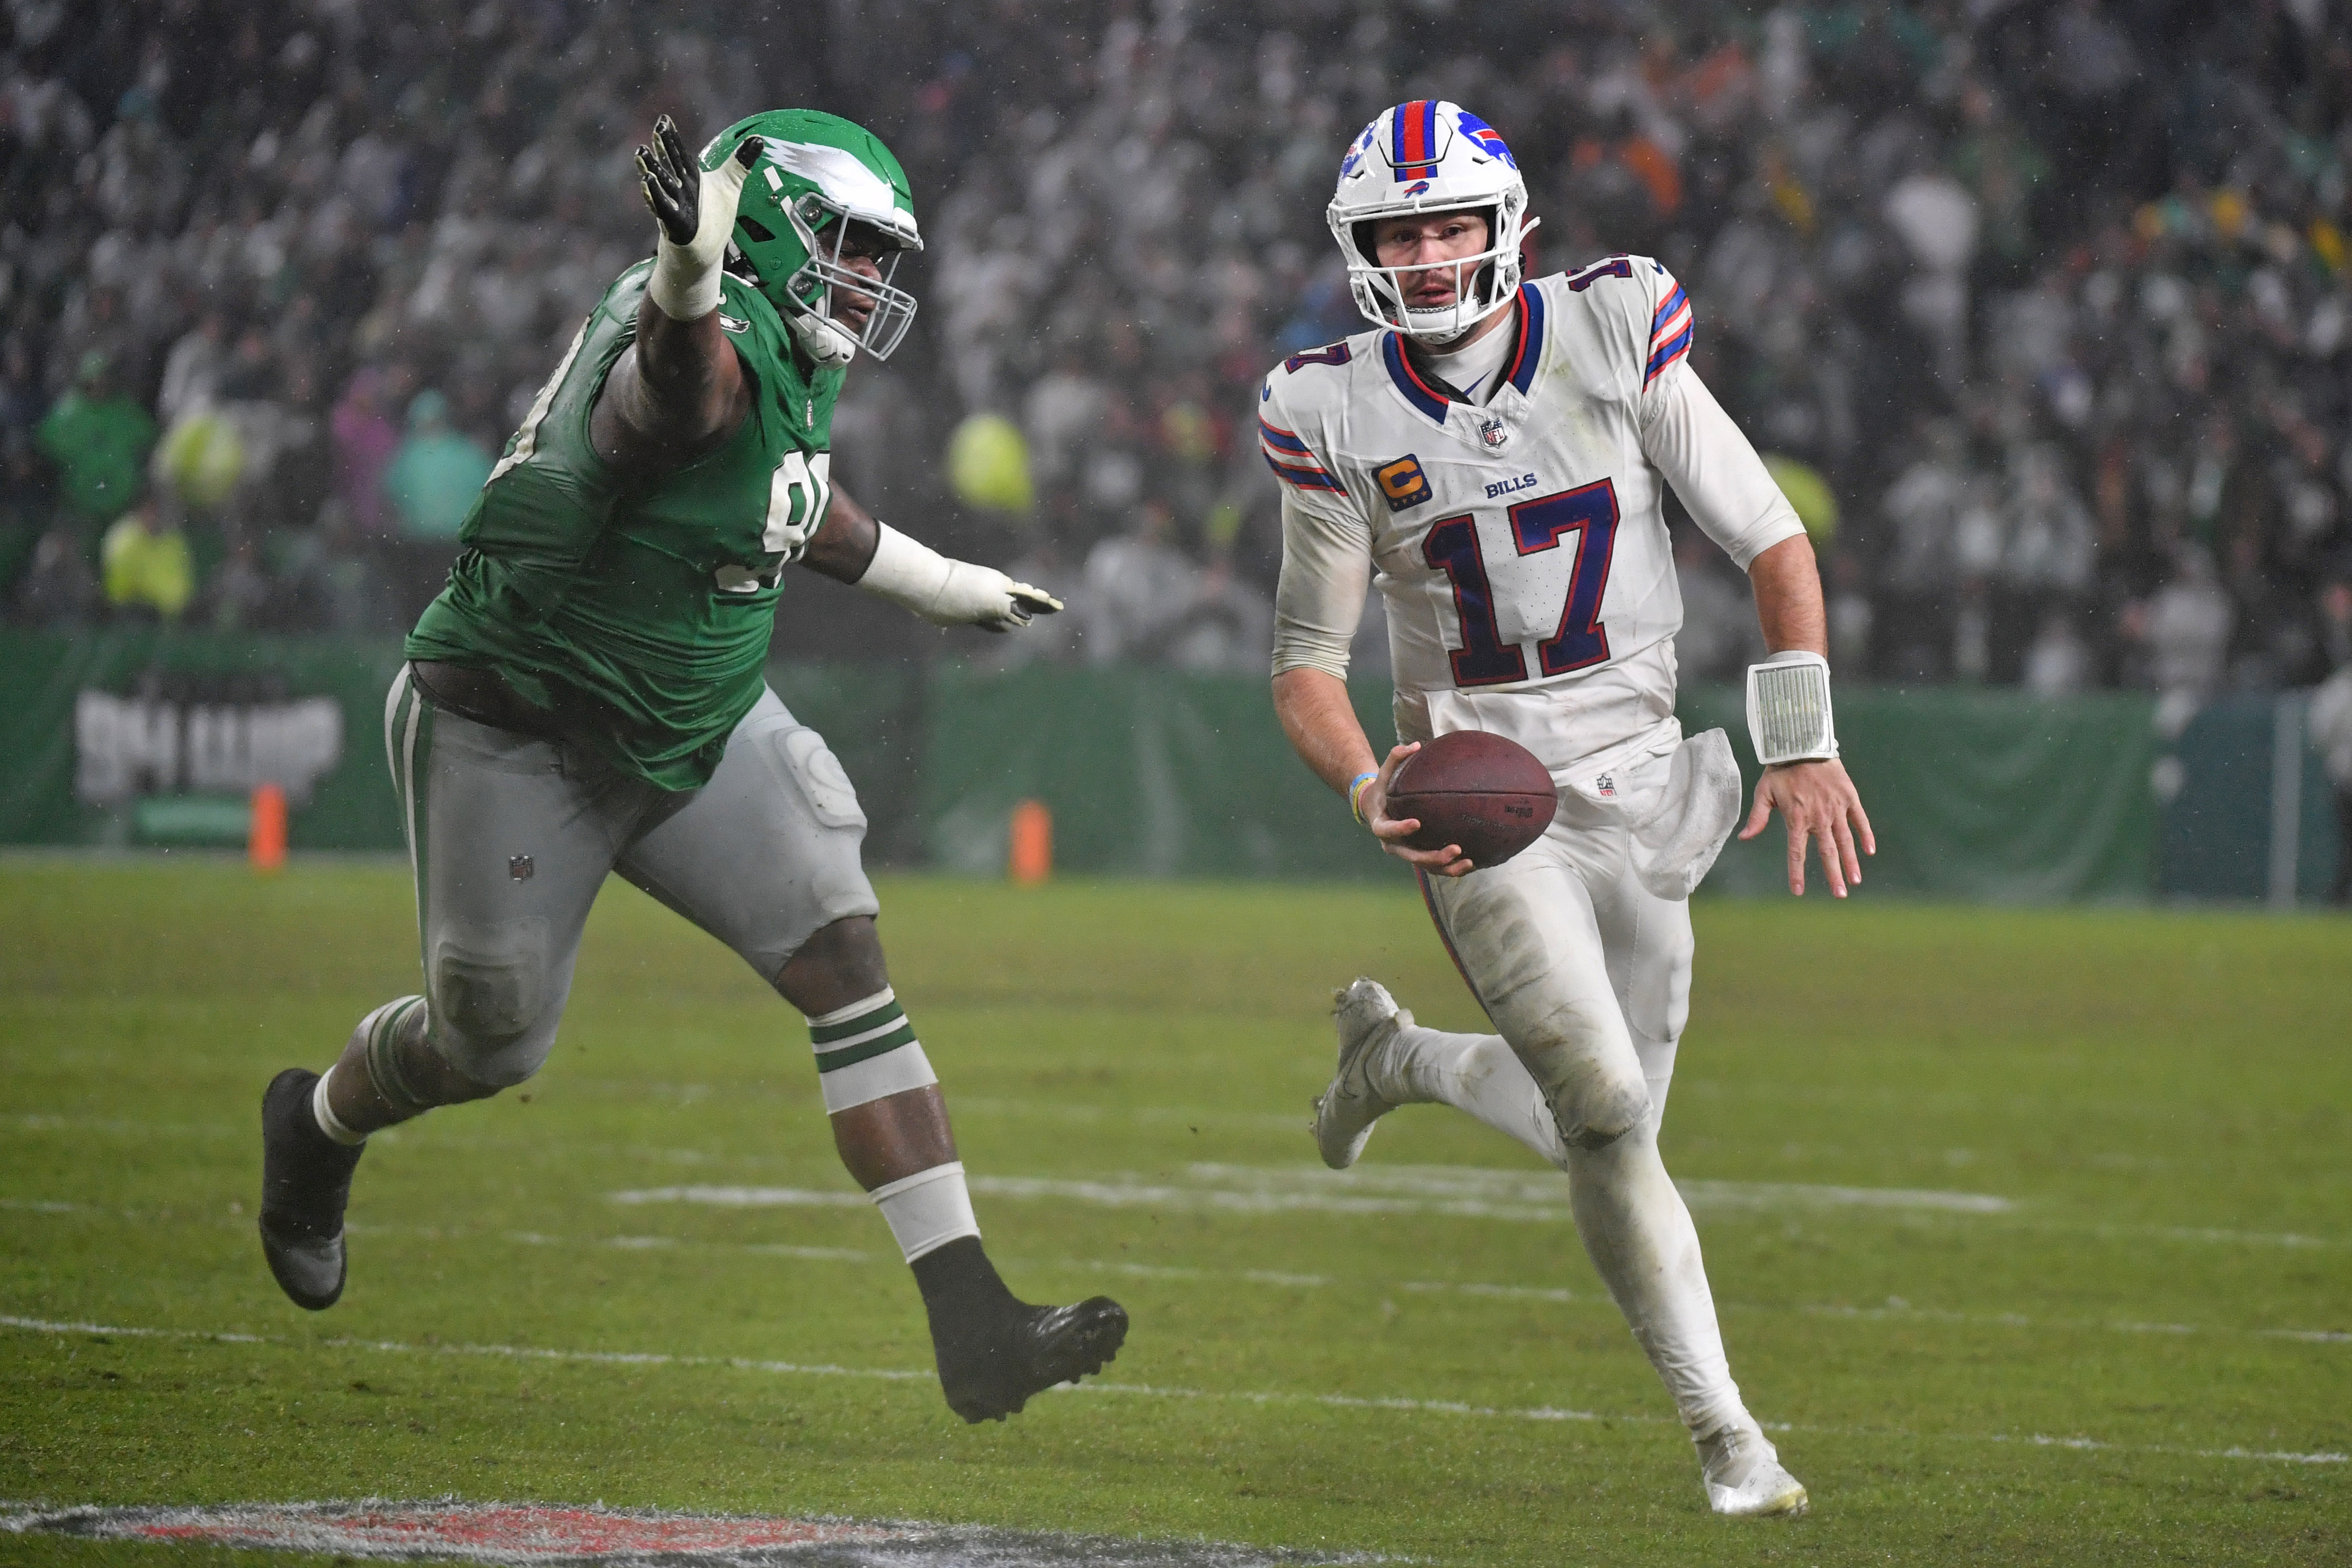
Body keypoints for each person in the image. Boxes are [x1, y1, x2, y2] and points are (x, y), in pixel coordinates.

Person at [256, 112, 1127, 1424]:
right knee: (487, 1042)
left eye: (880, 258)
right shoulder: (688, 343)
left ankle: (974, 1324)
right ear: (761, 226)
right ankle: (316, 1124)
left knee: (843, 952)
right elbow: (676, 402)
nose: (870, 284)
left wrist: (935, 583)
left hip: (692, 718)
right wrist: (684, 278)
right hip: (524, 725)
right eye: (846, 247)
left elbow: (784, 492)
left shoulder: (786, 348)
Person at [1263, 101, 1874, 1519]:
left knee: (1608, 1129)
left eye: (1448, 225)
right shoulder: (1329, 406)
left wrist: (1802, 741)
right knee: (1600, 1108)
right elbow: (1305, 666)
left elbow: (1771, 540)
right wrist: (1370, 782)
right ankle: (1730, 1439)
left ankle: (1400, 1064)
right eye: (1396, 232)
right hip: (1484, 800)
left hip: (1648, 781)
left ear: (1504, 227)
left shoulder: (1610, 324)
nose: (1424, 256)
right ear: (1360, 249)